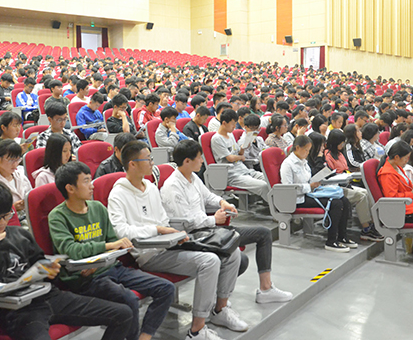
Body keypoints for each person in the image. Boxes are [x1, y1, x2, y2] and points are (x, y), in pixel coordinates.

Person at [0, 182, 131, 340]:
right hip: (17, 311)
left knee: (123, 314)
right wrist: (26, 281)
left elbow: (40, 262)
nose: (2, 222)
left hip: (48, 296)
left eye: (7, 215)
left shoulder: (20, 234)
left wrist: (51, 270)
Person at [108, 141, 246, 340]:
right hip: (150, 253)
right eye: (148, 159)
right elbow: (121, 231)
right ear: (132, 164)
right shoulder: (118, 194)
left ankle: (220, 310)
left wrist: (173, 235)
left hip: (168, 244)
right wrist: (157, 230)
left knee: (232, 252)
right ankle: (197, 330)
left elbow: (163, 220)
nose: (152, 163)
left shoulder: (151, 188)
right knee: (210, 261)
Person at [49, 161, 175, 340]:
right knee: (129, 300)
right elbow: (72, 250)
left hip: (111, 267)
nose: (92, 186)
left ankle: (145, 336)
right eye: (86, 181)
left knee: (166, 288)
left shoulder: (98, 208)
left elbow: (111, 240)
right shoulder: (58, 216)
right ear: (70, 188)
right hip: (85, 278)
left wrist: (101, 259)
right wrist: (107, 248)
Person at [161, 140, 293, 304]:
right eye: (199, 158)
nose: (202, 161)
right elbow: (186, 222)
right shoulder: (173, 186)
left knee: (263, 234)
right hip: (193, 237)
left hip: (207, 230)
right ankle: (218, 297)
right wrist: (213, 219)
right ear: (187, 161)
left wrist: (223, 202)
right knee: (241, 259)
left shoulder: (192, 177)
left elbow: (208, 196)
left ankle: (266, 289)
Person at [280, 135, 354, 252]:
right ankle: (331, 241)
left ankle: (342, 237)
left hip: (309, 193)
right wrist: (309, 186)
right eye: (306, 150)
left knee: (343, 200)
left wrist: (315, 182)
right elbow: (288, 188)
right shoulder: (287, 164)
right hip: (297, 199)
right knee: (335, 203)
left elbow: (308, 179)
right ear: (297, 148)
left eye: (309, 150)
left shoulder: (304, 162)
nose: (307, 153)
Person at [324, 129, 384, 242]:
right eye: (340, 143)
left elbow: (345, 168)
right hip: (335, 186)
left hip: (345, 182)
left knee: (366, 192)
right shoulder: (328, 155)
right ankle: (366, 228)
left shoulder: (340, 154)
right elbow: (330, 174)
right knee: (360, 196)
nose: (342, 145)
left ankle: (373, 223)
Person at [211, 109, 270, 201]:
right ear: (224, 123)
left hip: (244, 170)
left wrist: (243, 148)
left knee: (270, 179)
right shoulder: (217, 139)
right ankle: (277, 207)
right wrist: (240, 157)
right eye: (232, 124)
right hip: (232, 175)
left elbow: (238, 153)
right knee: (263, 186)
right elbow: (230, 158)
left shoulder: (230, 135)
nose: (235, 127)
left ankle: (280, 203)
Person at [0, 140, 32, 216]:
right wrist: (11, 208)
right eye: (11, 160)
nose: (15, 164)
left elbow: (31, 196)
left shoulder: (19, 175)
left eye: (17, 160)